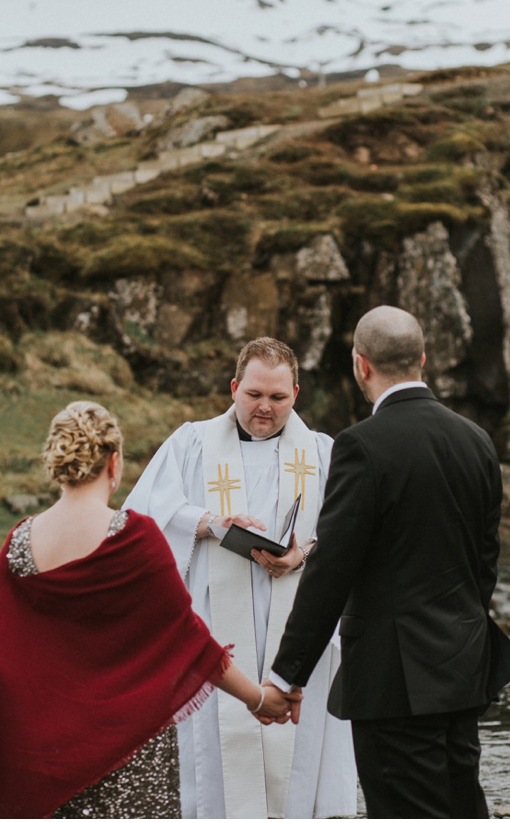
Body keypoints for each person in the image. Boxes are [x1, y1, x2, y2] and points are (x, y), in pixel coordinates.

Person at [0, 401, 293, 820]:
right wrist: (259, 698)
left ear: (55, 461)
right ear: (114, 463)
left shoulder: (20, 542)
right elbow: (187, 638)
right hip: (129, 757)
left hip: (46, 757)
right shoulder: (135, 537)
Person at [266, 305, 510, 818]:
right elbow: (484, 564)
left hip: (394, 683)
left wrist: (285, 677)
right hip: (461, 668)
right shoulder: (477, 440)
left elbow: (332, 570)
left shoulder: (362, 446)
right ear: (423, 359)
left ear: (360, 365)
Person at [124, 337, 357, 818]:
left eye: (278, 397)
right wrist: (209, 523)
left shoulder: (321, 453)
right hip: (214, 627)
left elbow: (353, 531)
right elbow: (140, 518)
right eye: (254, 395)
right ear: (234, 388)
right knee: (215, 757)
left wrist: (303, 552)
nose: (265, 408)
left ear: (297, 392)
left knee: (299, 759)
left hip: (299, 631)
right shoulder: (191, 443)